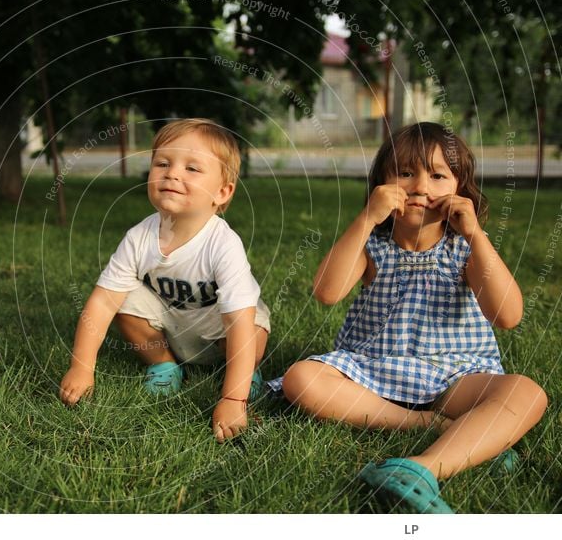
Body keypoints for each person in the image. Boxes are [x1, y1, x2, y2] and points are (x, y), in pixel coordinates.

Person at [278, 122, 547, 513]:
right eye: (406, 173)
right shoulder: (372, 245)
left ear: (460, 188)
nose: (421, 186)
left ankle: (421, 469)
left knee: (527, 393)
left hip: (453, 378)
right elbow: (326, 292)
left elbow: (507, 315)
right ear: (382, 184)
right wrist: (367, 219)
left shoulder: (464, 250)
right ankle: (437, 429)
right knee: (300, 378)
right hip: (373, 373)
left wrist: (475, 235)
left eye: (438, 175)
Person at [59, 118, 270, 442]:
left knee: (252, 327)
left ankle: (242, 374)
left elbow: (237, 318)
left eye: (192, 169)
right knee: (122, 299)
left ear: (222, 192)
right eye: (163, 163)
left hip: (221, 328)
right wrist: (82, 366)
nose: (172, 173)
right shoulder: (139, 237)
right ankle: (163, 364)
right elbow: (102, 302)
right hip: (172, 325)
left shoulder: (222, 244)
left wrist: (233, 399)